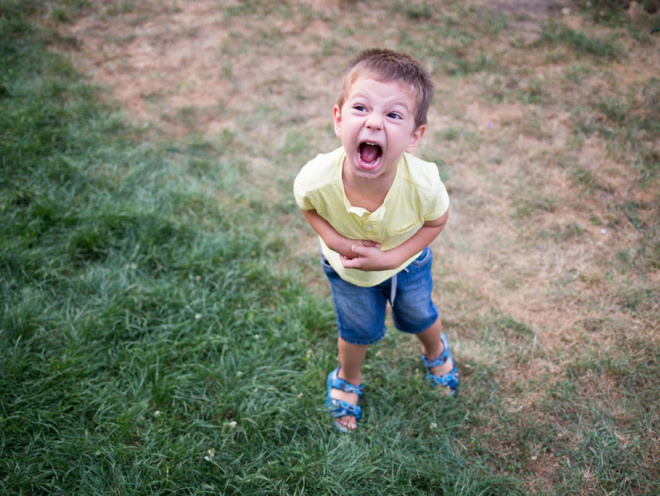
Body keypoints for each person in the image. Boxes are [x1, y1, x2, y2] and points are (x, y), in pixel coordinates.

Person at [293, 48, 458, 433]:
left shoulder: (423, 185)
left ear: (415, 136)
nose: (373, 123)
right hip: (346, 271)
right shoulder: (316, 177)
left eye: (393, 115)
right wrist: (335, 240)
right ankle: (349, 379)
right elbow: (309, 208)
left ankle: (435, 351)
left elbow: (437, 221)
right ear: (338, 119)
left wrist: (392, 258)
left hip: (408, 266)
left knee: (418, 314)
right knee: (356, 330)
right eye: (361, 108)